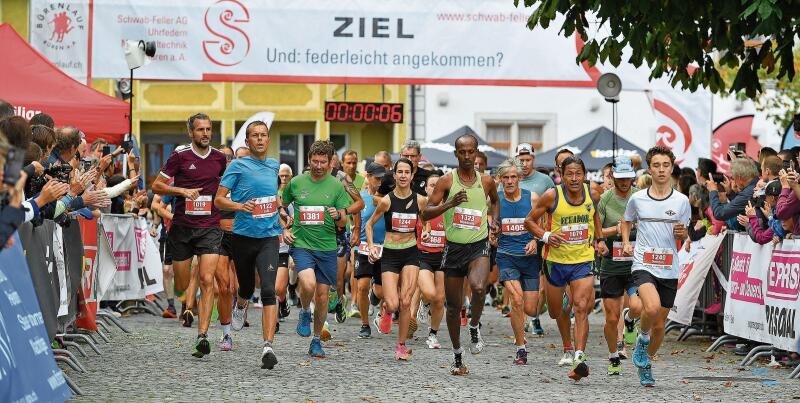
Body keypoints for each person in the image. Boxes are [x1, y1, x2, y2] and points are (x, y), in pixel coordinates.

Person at [524, 155, 607, 381]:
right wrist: (547, 235)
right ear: (561, 174)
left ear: (584, 176)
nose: (573, 178)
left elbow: (595, 214)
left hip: (582, 260)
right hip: (555, 263)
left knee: (581, 306)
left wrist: (599, 239)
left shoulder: (592, 194)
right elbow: (529, 222)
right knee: (555, 311)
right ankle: (567, 347)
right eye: (569, 174)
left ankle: (579, 356)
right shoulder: (552, 196)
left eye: (578, 174)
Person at [151, 113, 228, 358]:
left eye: (208, 129)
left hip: (210, 226)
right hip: (182, 227)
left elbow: (229, 186)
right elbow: (157, 186)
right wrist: (181, 191)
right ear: (191, 133)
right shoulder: (180, 156)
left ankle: (202, 336)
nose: (205, 133)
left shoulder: (219, 158)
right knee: (183, 284)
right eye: (200, 130)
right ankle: (185, 301)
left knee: (207, 280)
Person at [422, 133, 499, 375]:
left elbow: (495, 202)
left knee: (478, 287)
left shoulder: (486, 181)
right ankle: (457, 355)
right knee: (453, 308)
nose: (467, 156)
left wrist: (494, 222)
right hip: (453, 247)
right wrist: (449, 204)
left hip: (478, 244)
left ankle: (474, 325)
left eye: (471, 152)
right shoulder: (446, 182)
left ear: (476, 153)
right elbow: (425, 214)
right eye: (462, 152)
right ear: (456, 154)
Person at [214, 120, 283, 369]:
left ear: (268, 139)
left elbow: (273, 196)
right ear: (248, 141)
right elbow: (218, 200)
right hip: (242, 237)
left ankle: (267, 346)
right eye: (255, 135)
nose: (260, 139)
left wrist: (282, 211)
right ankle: (241, 304)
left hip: (269, 237)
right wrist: (238, 206)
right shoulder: (237, 166)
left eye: (264, 135)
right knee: (244, 286)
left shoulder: (274, 165)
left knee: (267, 289)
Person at [621, 146, 691, 387]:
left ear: (672, 168)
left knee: (660, 325)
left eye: (666, 165)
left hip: (669, 267)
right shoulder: (637, 198)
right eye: (656, 165)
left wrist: (684, 232)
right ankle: (641, 340)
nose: (661, 170)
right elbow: (626, 220)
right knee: (649, 309)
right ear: (649, 168)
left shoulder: (682, 201)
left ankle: (646, 361)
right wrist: (625, 242)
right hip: (643, 263)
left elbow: (685, 231)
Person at [282, 140, 355, 358]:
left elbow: (343, 220)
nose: (319, 166)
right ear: (309, 160)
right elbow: (282, 207)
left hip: (327, 247)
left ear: (330, 163)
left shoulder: (335, 185)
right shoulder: (295, 183)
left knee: (323, 296)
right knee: (308, 283)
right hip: (302, 244)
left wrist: (338, 216)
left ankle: (315, 340)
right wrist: (284, 227)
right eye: (315, 161)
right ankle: (305, 311)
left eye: (323, 162)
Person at [366, 158, 426, 360]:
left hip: (410, 252)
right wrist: (373, 246)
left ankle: (401, 346)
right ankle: (385, 309)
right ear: (394, 174)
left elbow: (424, 221)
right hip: (390, 253)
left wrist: (424, 231)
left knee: (406, 300)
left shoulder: (420, 200)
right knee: (393, 304)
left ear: (412, 175)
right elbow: (369, 225)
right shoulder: (386, 201)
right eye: (399, 172)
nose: (402, 175)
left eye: (406, 172)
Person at [597, 156, 642, 376]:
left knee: (637, 306)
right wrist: (614, 230)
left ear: (633, 177)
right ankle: (613, 354)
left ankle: (630, 321)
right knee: (611, 318)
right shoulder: (605, 199)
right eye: (620, 178)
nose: (624, 182)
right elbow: (596, 231)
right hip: (611, 266)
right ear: (613, 176)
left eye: (628, 178)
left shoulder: (640, 197)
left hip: (636, 265)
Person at [493, 159, 539, 365]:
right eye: (506, 177)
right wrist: (491, 235)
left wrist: (535, 239)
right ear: (500, 179)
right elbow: (489, 223)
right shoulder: (495, 200)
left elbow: (543, 222)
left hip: (529, 259)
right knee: (517, 300)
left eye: (513, 177)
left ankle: (523, 325)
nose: (510, 181)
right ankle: (521, 348)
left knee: (530, 308)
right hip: (506, 256)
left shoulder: (532, 198)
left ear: (520, 178)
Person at [515, 143, 554, 335]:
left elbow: (553, 208)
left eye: (527, 160)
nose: (524, 163)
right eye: (520, 160)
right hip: (514, 236)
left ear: (533, 160)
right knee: (519, 282)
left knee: (537, 282)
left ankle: (535, 318)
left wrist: (543, 234)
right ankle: (523, 319)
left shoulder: (545, 180)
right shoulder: (510, 178)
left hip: (538, 236)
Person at [354, 162, 386, 338]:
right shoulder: (360, 197)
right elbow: (356, 220)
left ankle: (375, 295)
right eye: (376, 178)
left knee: (381, 292)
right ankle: (365, 324)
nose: (379, 181)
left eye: (382, 178)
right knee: (362, 286)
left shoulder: (388, 198)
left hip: (383, 247)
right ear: (368, 176)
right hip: (365, 247)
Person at [414, 172, 446, 349]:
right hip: (422, 256)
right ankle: (424, 303)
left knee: (440, 299)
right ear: (425, 188)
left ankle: (433, 335)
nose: (434, 188)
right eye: (431, 185)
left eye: (438, 185)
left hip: (442, 257)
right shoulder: (420, 207)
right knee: (429, 293)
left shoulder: (448, 208)